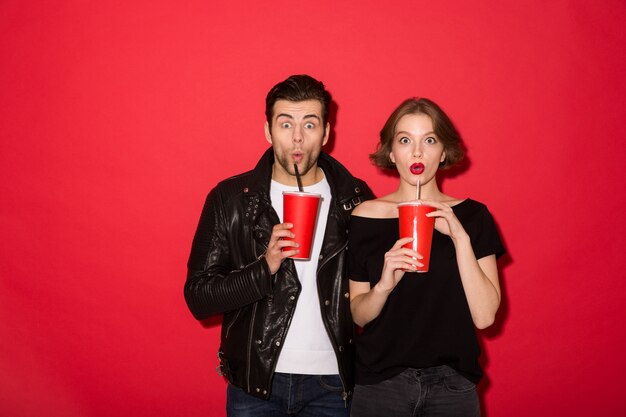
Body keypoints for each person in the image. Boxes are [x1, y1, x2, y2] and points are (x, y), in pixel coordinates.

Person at [184, 74, 374, 417]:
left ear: (327, 133)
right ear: (268, 131)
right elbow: (198, 297)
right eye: (285, 124)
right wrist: (264, 267)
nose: (297, 138)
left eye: (310, 124)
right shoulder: (231, 200)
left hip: (333, 384)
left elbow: (373, 295)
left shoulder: (355, 199)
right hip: (257, 385)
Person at [347, 97, 505, 417]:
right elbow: (358, 315)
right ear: (391, 153)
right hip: (381, 385)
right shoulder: (365, 216)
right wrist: (384, 285)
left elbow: (485, 317)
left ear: (443, 151)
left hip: (453, 386)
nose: (417, 152)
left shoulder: (473, 217)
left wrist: (460, 240)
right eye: (405, 140)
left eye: (429, 140)